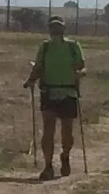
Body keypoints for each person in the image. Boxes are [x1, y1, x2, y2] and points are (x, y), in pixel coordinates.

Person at [22, 14, 85, 178]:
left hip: (69, 91)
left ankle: (65, 155)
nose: (55, 30)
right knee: (48, 130)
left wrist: (80, 74)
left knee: (67, 132)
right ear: (49, 30)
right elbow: (38, 68)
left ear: (64, 29)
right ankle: (48, 166)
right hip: (48, 91)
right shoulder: (45, 47)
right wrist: (30, 81)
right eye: (52, 27)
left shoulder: (73, 47)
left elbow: (82, 67)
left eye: (58, 27)